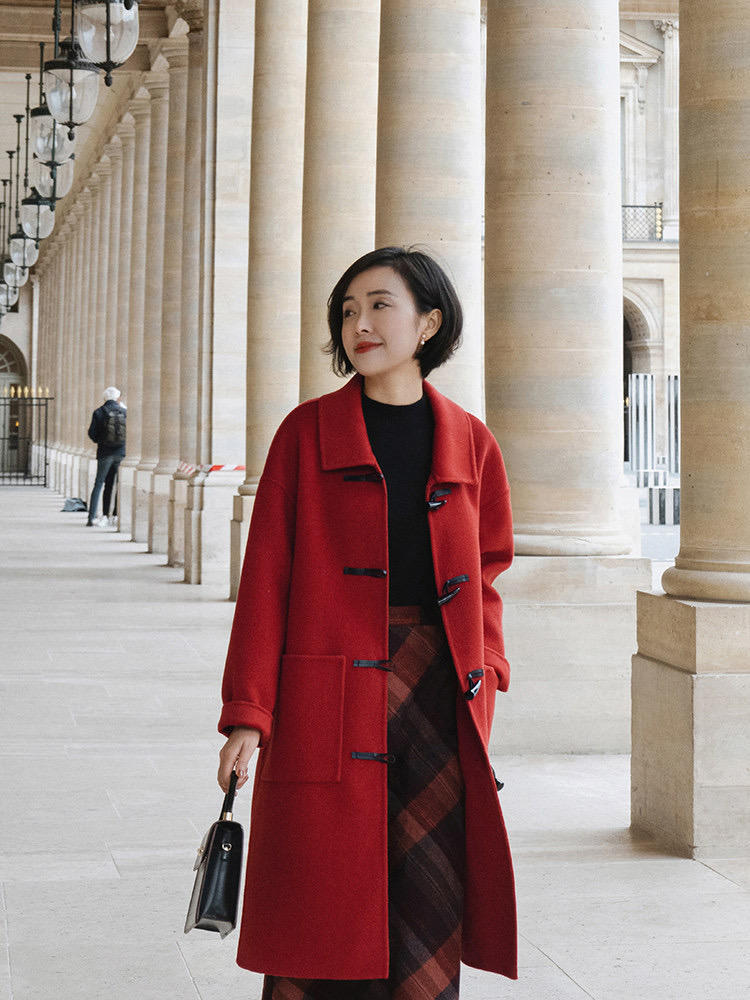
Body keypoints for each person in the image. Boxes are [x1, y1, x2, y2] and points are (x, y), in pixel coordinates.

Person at [217, 247, 517, 998]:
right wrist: (248, 714)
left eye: (380, 305)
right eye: (349, 310)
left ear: (429, 323)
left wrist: (489, 668)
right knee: (321, 899)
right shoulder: (304, 433)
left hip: (438, 690)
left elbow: (486, 572)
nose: (360, 324)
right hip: (326, 689)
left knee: (428, 892)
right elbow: (265, 582)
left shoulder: (471, 440)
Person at [86, 386, 126, 527]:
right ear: (117, 398)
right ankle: (115, 515)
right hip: (121, 453)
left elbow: (92, 433)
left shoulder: (99, 412)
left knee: (99, 484)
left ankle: (93, 517)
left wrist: (100, 440)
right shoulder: (124, 411)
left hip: (104, 453)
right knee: (117, 484)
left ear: (105, 398)